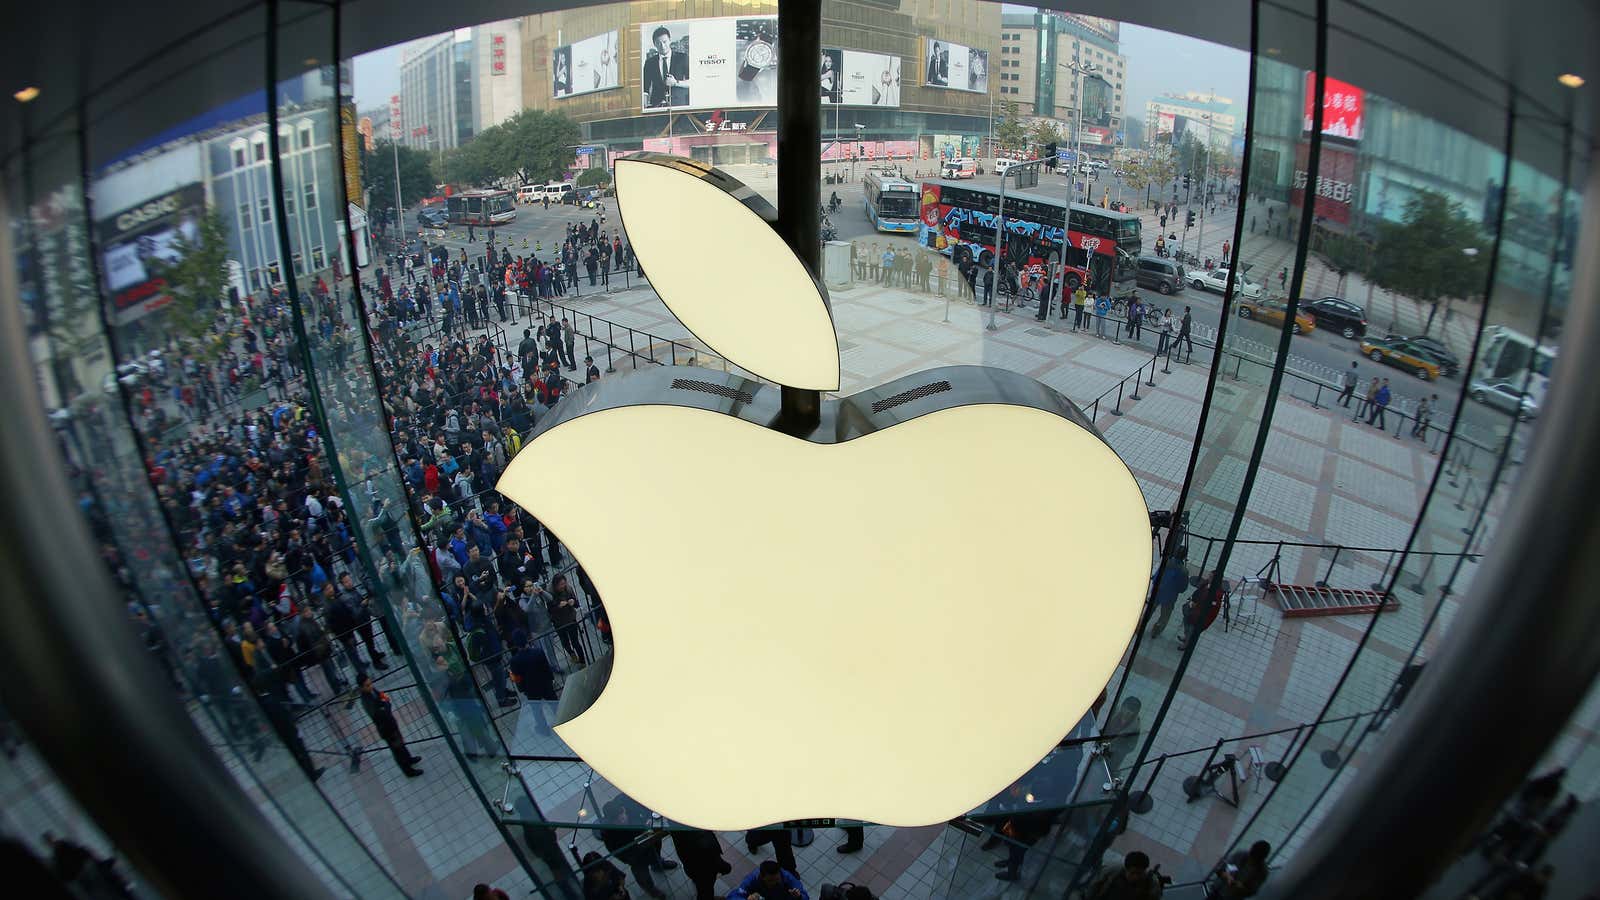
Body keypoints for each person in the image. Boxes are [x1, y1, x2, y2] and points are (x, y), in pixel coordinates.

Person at [599, 798, 678, 899]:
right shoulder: (608, 832)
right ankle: (651, 889)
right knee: (641, 873)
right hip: (634, 854)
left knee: (655, 853)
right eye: (617, 820)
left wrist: (648, 818)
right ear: (611, 821)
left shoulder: (630, 808)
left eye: (622, 816)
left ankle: (657, 864)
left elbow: (645, 808)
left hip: (649, 840)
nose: (622, 820)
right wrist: (630, 858)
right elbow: (615, 850)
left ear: (623, 810)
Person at [358, 674, 423, 777]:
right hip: (386, 729)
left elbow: (382, 696)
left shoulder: (372, 690)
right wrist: (386, 705)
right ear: (361, 687)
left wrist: (385, 701)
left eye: (370, 683)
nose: (370, 686)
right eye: (367, 685)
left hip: (391, 723)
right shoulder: (366, 701)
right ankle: (408, 771)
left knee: (401, 744)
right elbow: (379, 714)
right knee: (397, 750)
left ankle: (409, 759)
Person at [669, 829, 733, 900]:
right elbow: (708, 847)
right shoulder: (703, 843)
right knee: (705, 890)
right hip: (703, 865)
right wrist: (723, 866)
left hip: (693, 862)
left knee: (703, 886)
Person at [1084, 850, 1165, 899]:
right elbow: (1093, 887)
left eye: (1140, 874)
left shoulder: (1151, 883)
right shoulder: (1112, 871)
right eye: (1133, 873)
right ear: (1126, 869)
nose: (1136, 877)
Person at [642, 25, 689, 108]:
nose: (662, 46)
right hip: (656, 107)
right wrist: (644, 105)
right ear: (654, 44)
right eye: (658, 43)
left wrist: (676, 83)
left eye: (664, 42)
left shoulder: (682, 58)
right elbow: (645, 89)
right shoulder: (649, 63)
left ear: (670, 40)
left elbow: (693, 82)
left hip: (679, 105)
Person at [729, 859, 808, 900]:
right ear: (762, 877)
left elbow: (805, 896)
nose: (774, 883)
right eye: (770, 881)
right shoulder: (752, 880)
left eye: (777, 879)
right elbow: (734, 896)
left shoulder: (788, 878)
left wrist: (799, 897)